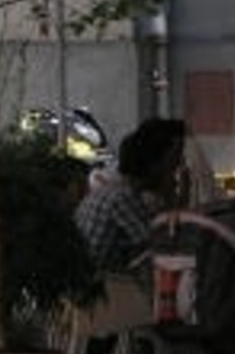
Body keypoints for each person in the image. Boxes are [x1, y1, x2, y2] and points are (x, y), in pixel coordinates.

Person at [74, 117, 189, 274]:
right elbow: (167, 249)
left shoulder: (111, 189)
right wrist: (175, 196)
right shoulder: (122, 198)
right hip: (98, 290)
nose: (177, 168)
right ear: (154, 163)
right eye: (174, 160)